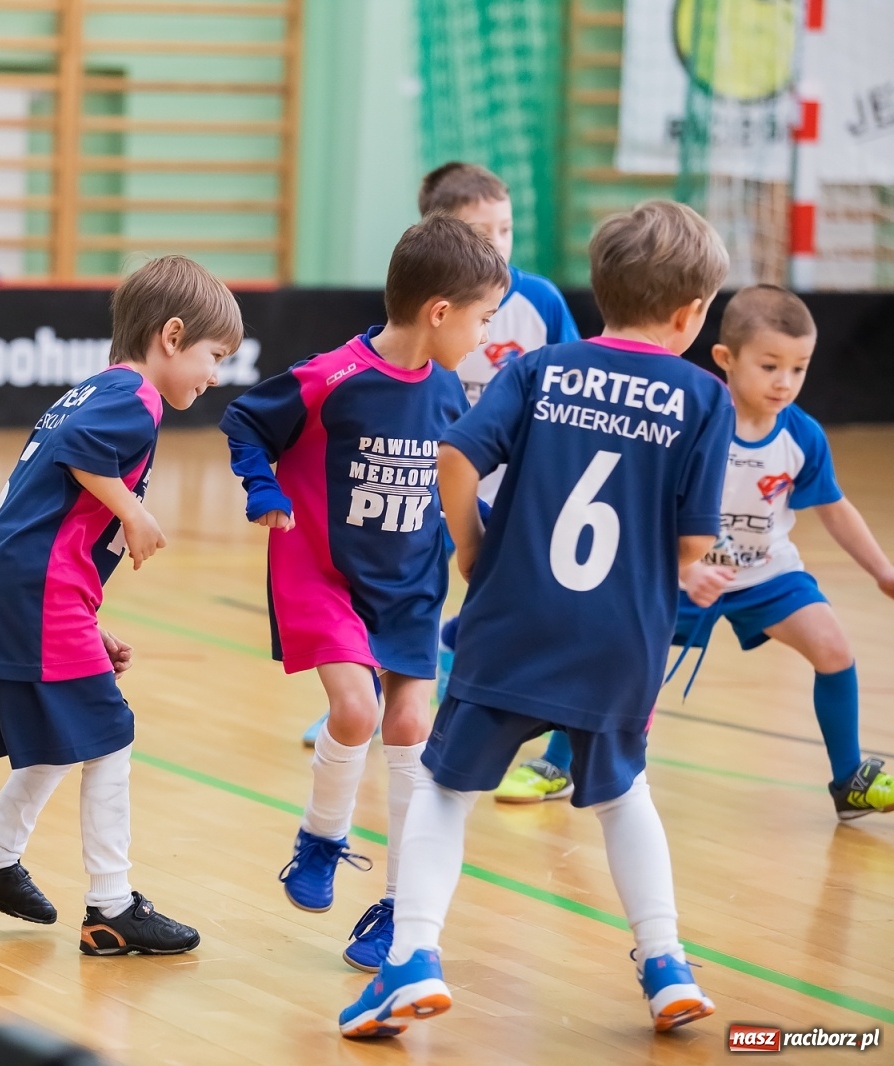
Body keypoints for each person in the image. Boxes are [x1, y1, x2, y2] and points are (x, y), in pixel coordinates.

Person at [340, 200, 734, 1039]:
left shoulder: (543, 367)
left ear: (599, 289)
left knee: (448, 791)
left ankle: (412, 958)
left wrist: (472, 550)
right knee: (624, 796)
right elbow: (694, 539)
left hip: (514, 620)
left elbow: (455, 453)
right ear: (691, 312)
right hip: (623, 636)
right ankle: (664, 964)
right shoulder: (705, 397)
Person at [222, 217, 506, 972]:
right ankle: (321, 836)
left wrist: (486, 552)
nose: (483, 337)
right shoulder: (333, 377)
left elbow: (457, 485)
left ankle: (399, 901)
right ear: (440, 312)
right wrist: (261, 490)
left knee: (411, 727)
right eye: (481, 319)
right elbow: (246, 419)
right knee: (356, 710)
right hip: (325, 571)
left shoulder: (449, 394)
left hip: (412, 585)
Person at [0, 256, 239, 956]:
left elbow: (52, 511)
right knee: (109, 730)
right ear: (172, 336)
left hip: (24, 585)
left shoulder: (92, 391)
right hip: (32, 590)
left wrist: (85, 619)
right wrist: (131, 511)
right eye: (214, 356)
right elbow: (82, 456)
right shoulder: (134, 395)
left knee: (70, 730)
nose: (216, 375)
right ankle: (112, 906)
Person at [300, 162, 581, 758]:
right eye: (481, 234)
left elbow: (572, 383)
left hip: (506, 486)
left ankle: (444, 697)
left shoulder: (541, 304)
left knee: (505, 599)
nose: (498, 245)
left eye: (505, 230)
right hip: (428, 479)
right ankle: (363, 701)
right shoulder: (425, 315)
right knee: (395, 591)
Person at [666, 285, 894, 818]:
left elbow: (834, 508)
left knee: (834, 649)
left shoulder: (802, 435)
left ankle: (849, 781)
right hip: (680, 575)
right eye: (770, 366)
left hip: (767, 575)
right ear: (725, 359)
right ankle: (560, 762)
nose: (784, 383)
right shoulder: (695, 425)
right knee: (622, 664)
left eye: (798, 369)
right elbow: (650, 507)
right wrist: (687, 568)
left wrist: (882, 570)